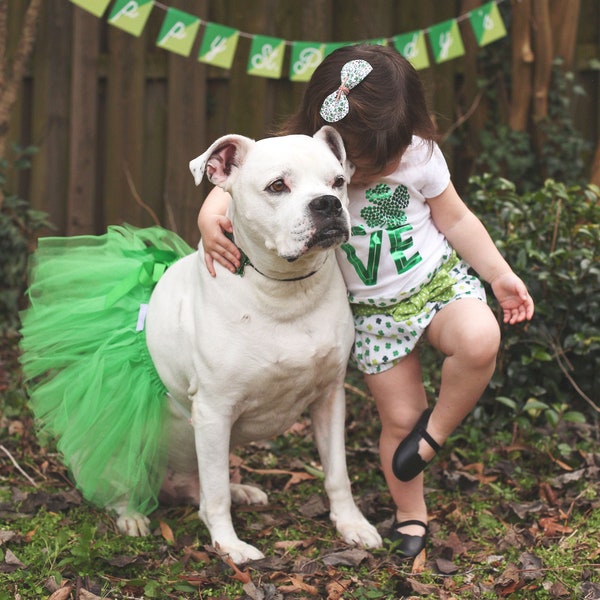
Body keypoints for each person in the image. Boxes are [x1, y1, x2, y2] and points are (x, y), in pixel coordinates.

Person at [197, 44, 534, 558]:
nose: (370, 172)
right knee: (400, 417)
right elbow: (233, 186)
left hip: (434, 284)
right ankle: (411, 513)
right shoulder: (309, 156)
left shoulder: (419, 154)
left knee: (481, 337)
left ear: (410, 135)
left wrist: (500, 274)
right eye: (362, 162)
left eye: (386, 160)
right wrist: (206, 219)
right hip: (375, 315)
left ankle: (434, 437)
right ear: (332, 136)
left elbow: (458, 219)